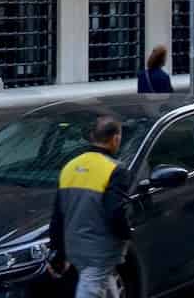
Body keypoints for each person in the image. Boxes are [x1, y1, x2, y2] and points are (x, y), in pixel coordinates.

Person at [49, 115, 132, 298]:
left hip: (74, 248)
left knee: (105, 284)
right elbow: (115, 211)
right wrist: (127, 234)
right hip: (100, 249)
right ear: (115, 138)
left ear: (92, 137)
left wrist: (58, 252)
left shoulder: (70, 166)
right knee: (92, 287)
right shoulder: (115, 169)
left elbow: (58, 215)